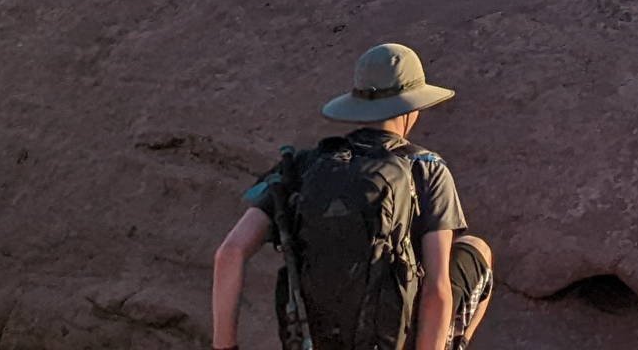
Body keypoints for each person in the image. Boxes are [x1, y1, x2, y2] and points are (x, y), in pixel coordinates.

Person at [211, 42, 493, 350]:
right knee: (476, 250)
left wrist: (225, 347)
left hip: (313, 338)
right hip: (392, 337)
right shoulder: (425, 169)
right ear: (412, 108)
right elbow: (437, 289)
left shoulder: (306, 165)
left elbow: (230, 252)